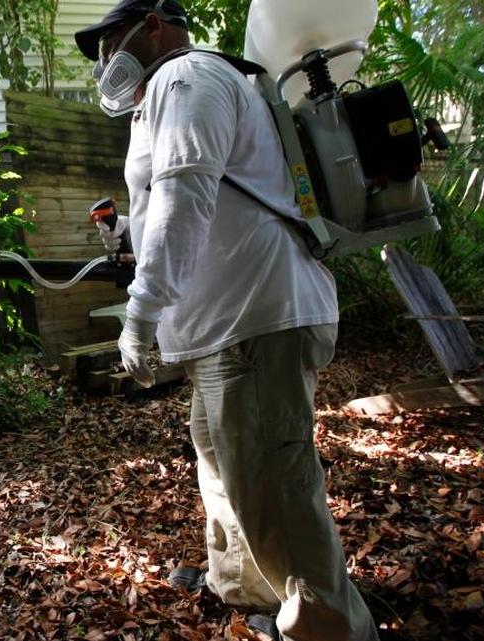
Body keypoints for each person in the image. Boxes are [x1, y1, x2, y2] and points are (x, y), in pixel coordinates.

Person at [74, 2, 380, 640]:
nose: (105, 63)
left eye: (108, 44)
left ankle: (327, 629)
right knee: (226, 472)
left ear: (153, 23)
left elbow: (186, 194)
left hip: (255, 318)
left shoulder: (186, 78)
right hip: (224, 327)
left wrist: (142, 312)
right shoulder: (164, 95)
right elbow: (184, 204)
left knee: (274, 486)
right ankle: (246, 588)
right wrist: (126, 234)